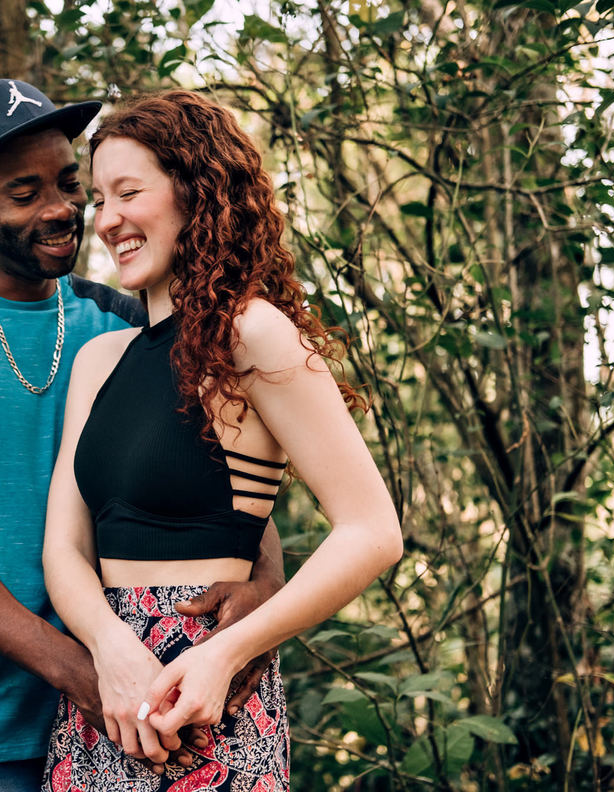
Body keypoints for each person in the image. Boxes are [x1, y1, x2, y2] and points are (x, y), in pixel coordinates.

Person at [0, 79, 284, 792]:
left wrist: (263, 582)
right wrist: (81, 671)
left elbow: (222, 472)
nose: (60, 210)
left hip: (138, 717)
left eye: (66, 183)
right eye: (24, 194)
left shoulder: (126, 321)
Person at [41, 90, 404, 791]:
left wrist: (226, 653)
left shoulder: (252, 333)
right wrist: (110, 651)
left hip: (206, 698)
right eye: (99, 200)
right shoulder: (98, 361)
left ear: (194, 193)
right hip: (102, 696)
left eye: (129, 193)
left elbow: (373, 531)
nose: (107, 219)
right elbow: (65, 547)